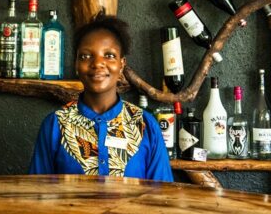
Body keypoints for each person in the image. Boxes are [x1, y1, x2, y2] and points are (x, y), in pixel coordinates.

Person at [29, 15, 173, 182]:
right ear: (76, 65)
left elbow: (162, 198)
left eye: (109, 55)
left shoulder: (145, 125)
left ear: (121, 65)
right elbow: (37, 194)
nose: (97, 63)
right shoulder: (55, 125)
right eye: (85, 56)